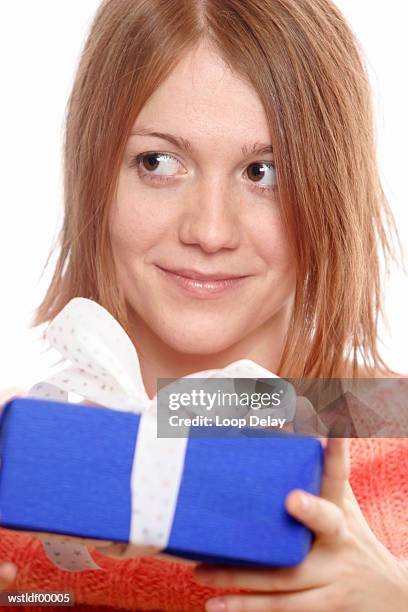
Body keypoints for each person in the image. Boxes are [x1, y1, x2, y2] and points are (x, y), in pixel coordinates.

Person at [0, 0, 407, 610]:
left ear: (331, 190)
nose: (211, 231)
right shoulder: (23, 460)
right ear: (94, 173)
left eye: (265, 172)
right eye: (158, 162)